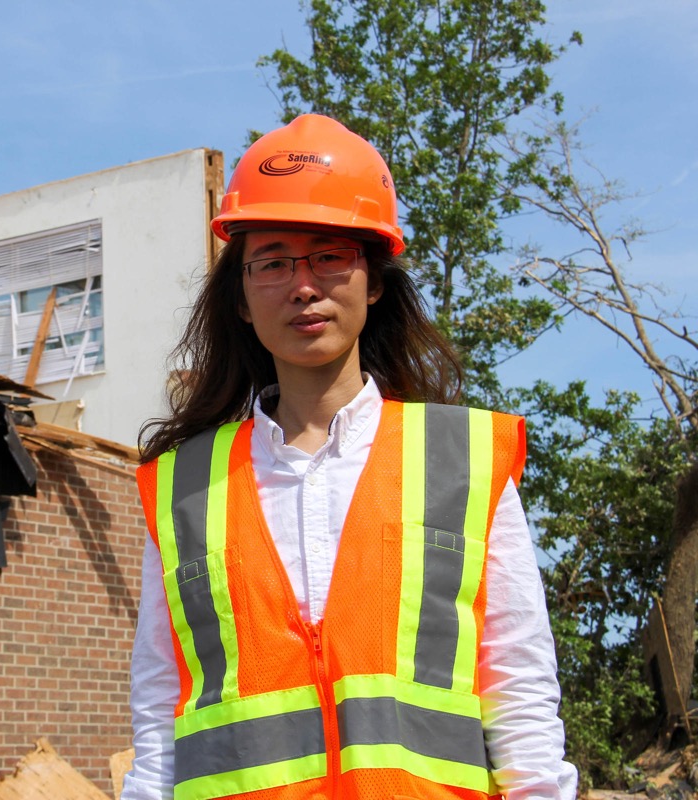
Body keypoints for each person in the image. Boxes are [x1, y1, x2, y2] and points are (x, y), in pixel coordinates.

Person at [122, 114, 577, 800]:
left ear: (373, 282)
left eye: (329, 255)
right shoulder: (184, 485)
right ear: (242, 299)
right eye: (272, 261)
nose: (303, 285)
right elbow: (160, 712)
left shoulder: (462, 460)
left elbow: (517, 689)